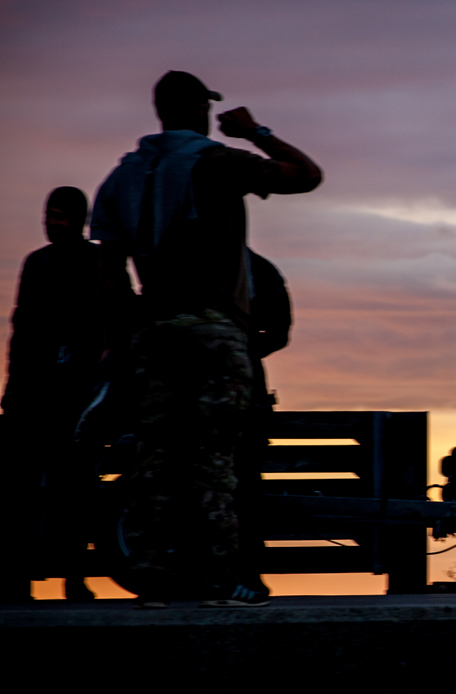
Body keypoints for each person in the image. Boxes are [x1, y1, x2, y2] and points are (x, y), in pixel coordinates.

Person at [90, 70, 321, 608]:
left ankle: (153, 575)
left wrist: (122, 335)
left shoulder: (122, 177)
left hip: (155, 333)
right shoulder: (217, 163)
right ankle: (220, 577)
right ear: (199, 110)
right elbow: (307, 176)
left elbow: (108, 271)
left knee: (154, 459)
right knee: (213, 458)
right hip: (215, 330)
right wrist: (256, 132)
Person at [1, 187, 102, 603]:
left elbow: (109, 326)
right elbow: (21, 329)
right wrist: (12, 389)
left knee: (74, 492)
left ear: (78, 219)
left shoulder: (98, 262)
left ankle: (74, 578)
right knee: (21, 492)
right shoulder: (37, 263)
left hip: (75, 398)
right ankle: (18, 581)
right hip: (33, 396)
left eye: (59, 216)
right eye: (49, 216)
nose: (51, 224)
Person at [233, 248, 293, 594]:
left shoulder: (181, 260)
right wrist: (244, 350)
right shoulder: (260, 269)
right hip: (247, 390)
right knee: (247, 484)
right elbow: (280, 333)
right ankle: (247, 571)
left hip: (216, 392)